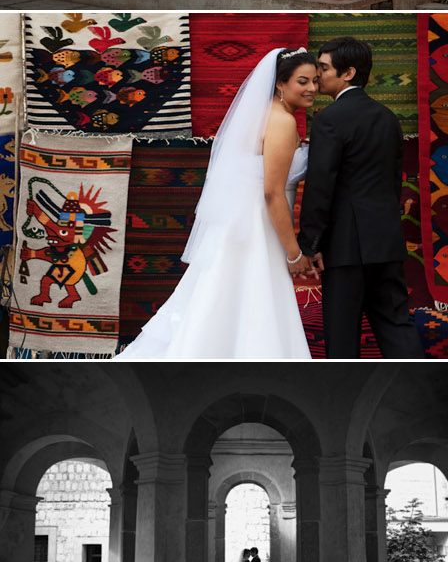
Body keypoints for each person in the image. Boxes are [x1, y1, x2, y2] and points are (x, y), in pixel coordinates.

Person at [115, 47, 319, 361]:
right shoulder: (282, 122)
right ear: (280, 83)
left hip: (240, 224)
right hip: (258, 226)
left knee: (224, 298)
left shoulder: (260, 116)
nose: (312, 89)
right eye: (303, 81)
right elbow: (272, 193)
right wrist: (293, 253)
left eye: (316, 81)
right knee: (249, 297)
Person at [299, 36, 422, 359]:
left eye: (323, 68)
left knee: (342, 337)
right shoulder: (388, 117)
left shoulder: (329, 119)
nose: (317, 76)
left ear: (348, 73)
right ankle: (426, 393)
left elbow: (320, 185)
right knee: (396, 326)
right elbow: (393, 182)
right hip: (386, 241)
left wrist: (309, 243)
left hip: (345, 246)